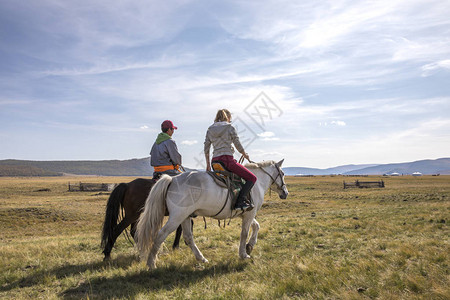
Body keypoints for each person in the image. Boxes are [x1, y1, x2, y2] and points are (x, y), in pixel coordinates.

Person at [204, 109, 256, 211]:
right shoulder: (229, 127)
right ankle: (240, 201)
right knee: (252, 178)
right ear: (227, 117)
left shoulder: (210, 129)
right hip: (227, 160)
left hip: (215, 161)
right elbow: (237, 144)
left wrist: (208, 165)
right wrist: (244, 154)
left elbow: (206, 149)